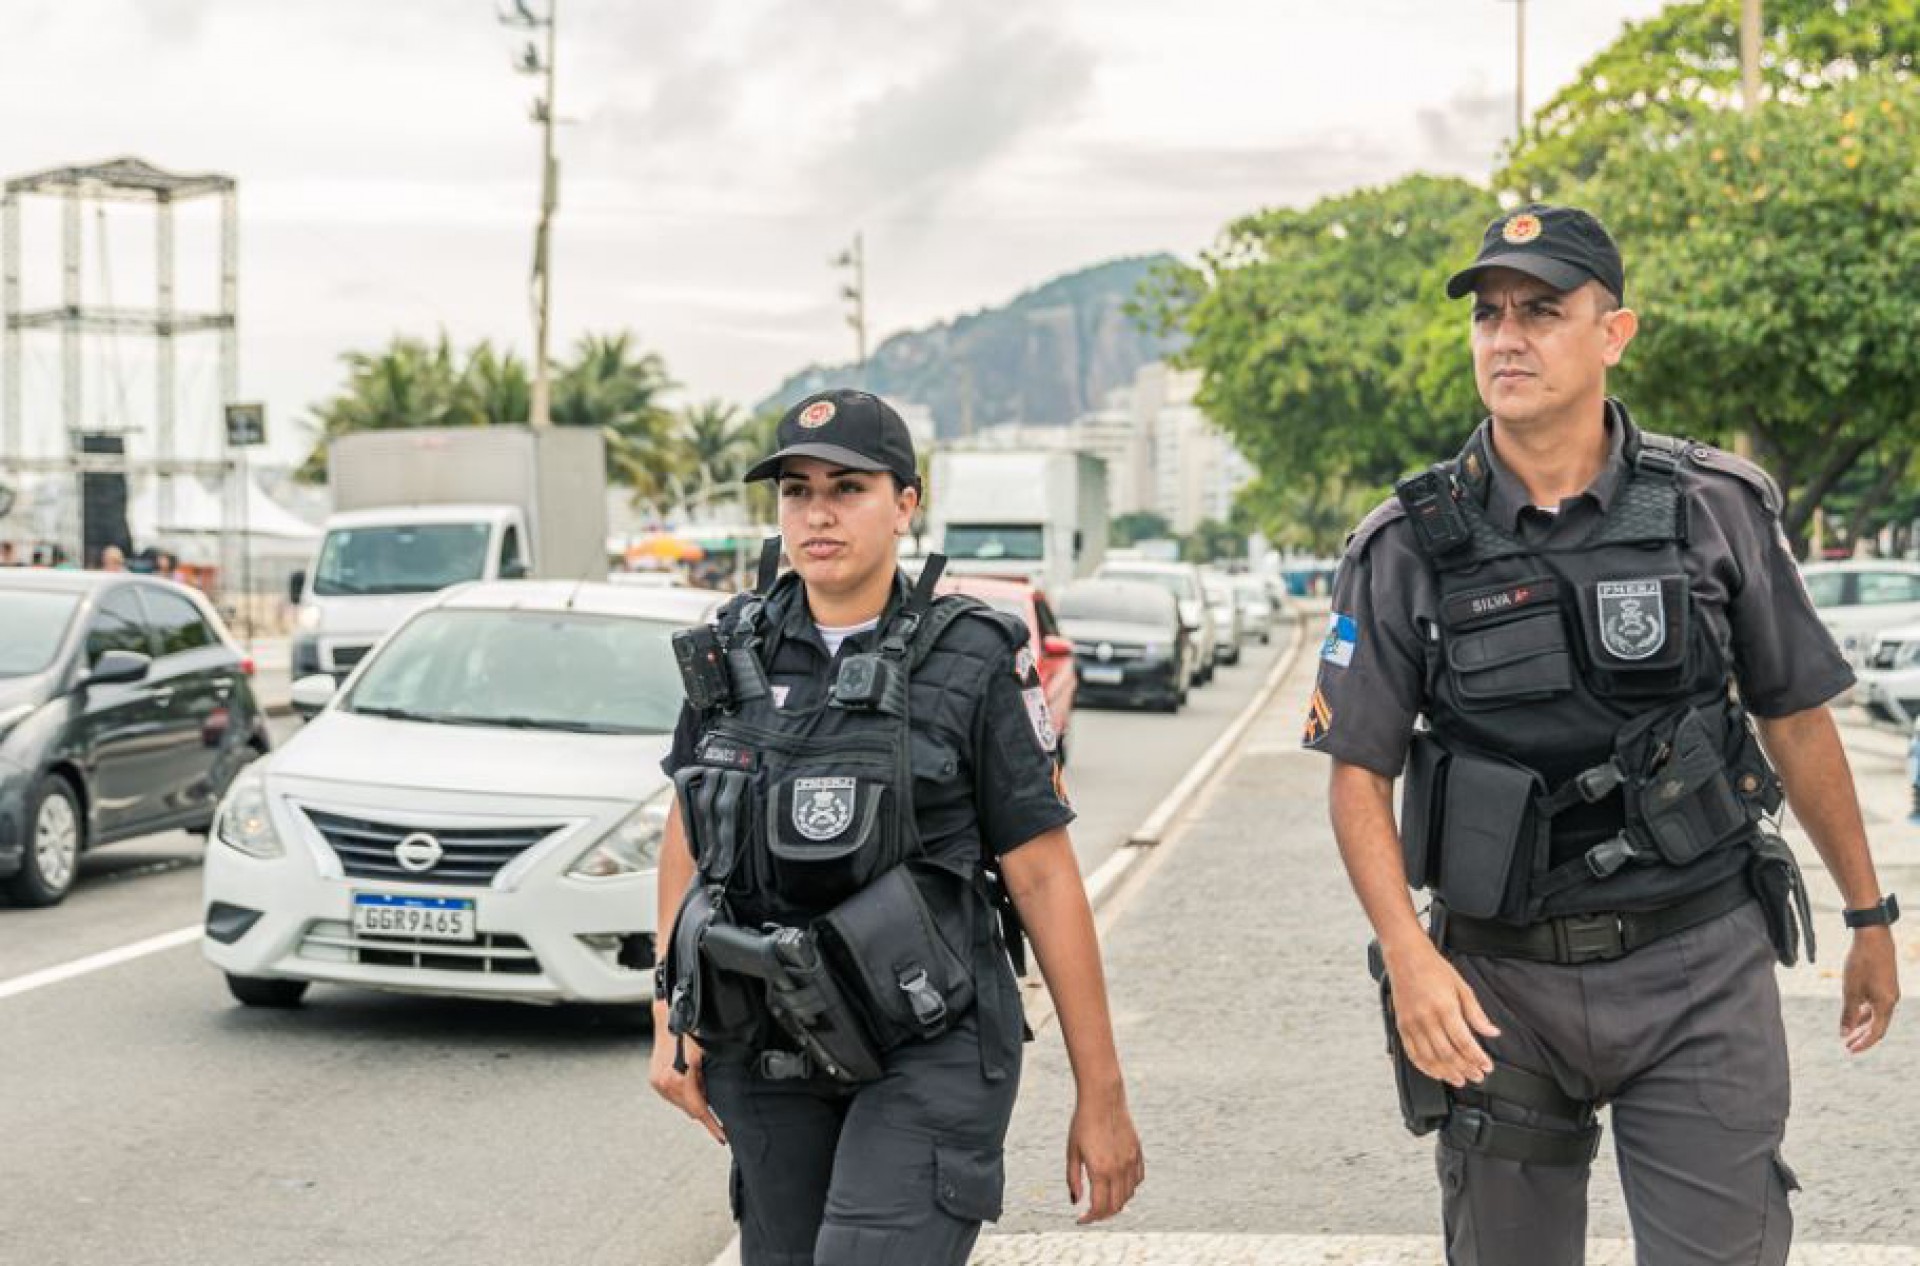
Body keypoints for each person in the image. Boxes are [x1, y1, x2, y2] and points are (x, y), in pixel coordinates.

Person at [1308, 204, 1900, 1265]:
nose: (1508, 338)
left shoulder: (1716, 507)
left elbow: (1797, 718)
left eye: (1541, 311)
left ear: (1613, 333)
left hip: (1698, 963)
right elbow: (1359, 774)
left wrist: (1869, 915)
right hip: (1498, 987)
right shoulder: (1405, 544)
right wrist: (1408, 958)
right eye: (1489, 315)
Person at [649, 388, 1144, 1265]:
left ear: (906, 503)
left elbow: (1042, 876)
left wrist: (1100, 1092)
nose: (819, 513)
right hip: (767, 1039)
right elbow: (687, 832)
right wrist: (670, 1016)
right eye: (797, 491)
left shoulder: (975, 655)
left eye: (848, 487)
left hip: (931, 1034)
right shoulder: (734, 646)